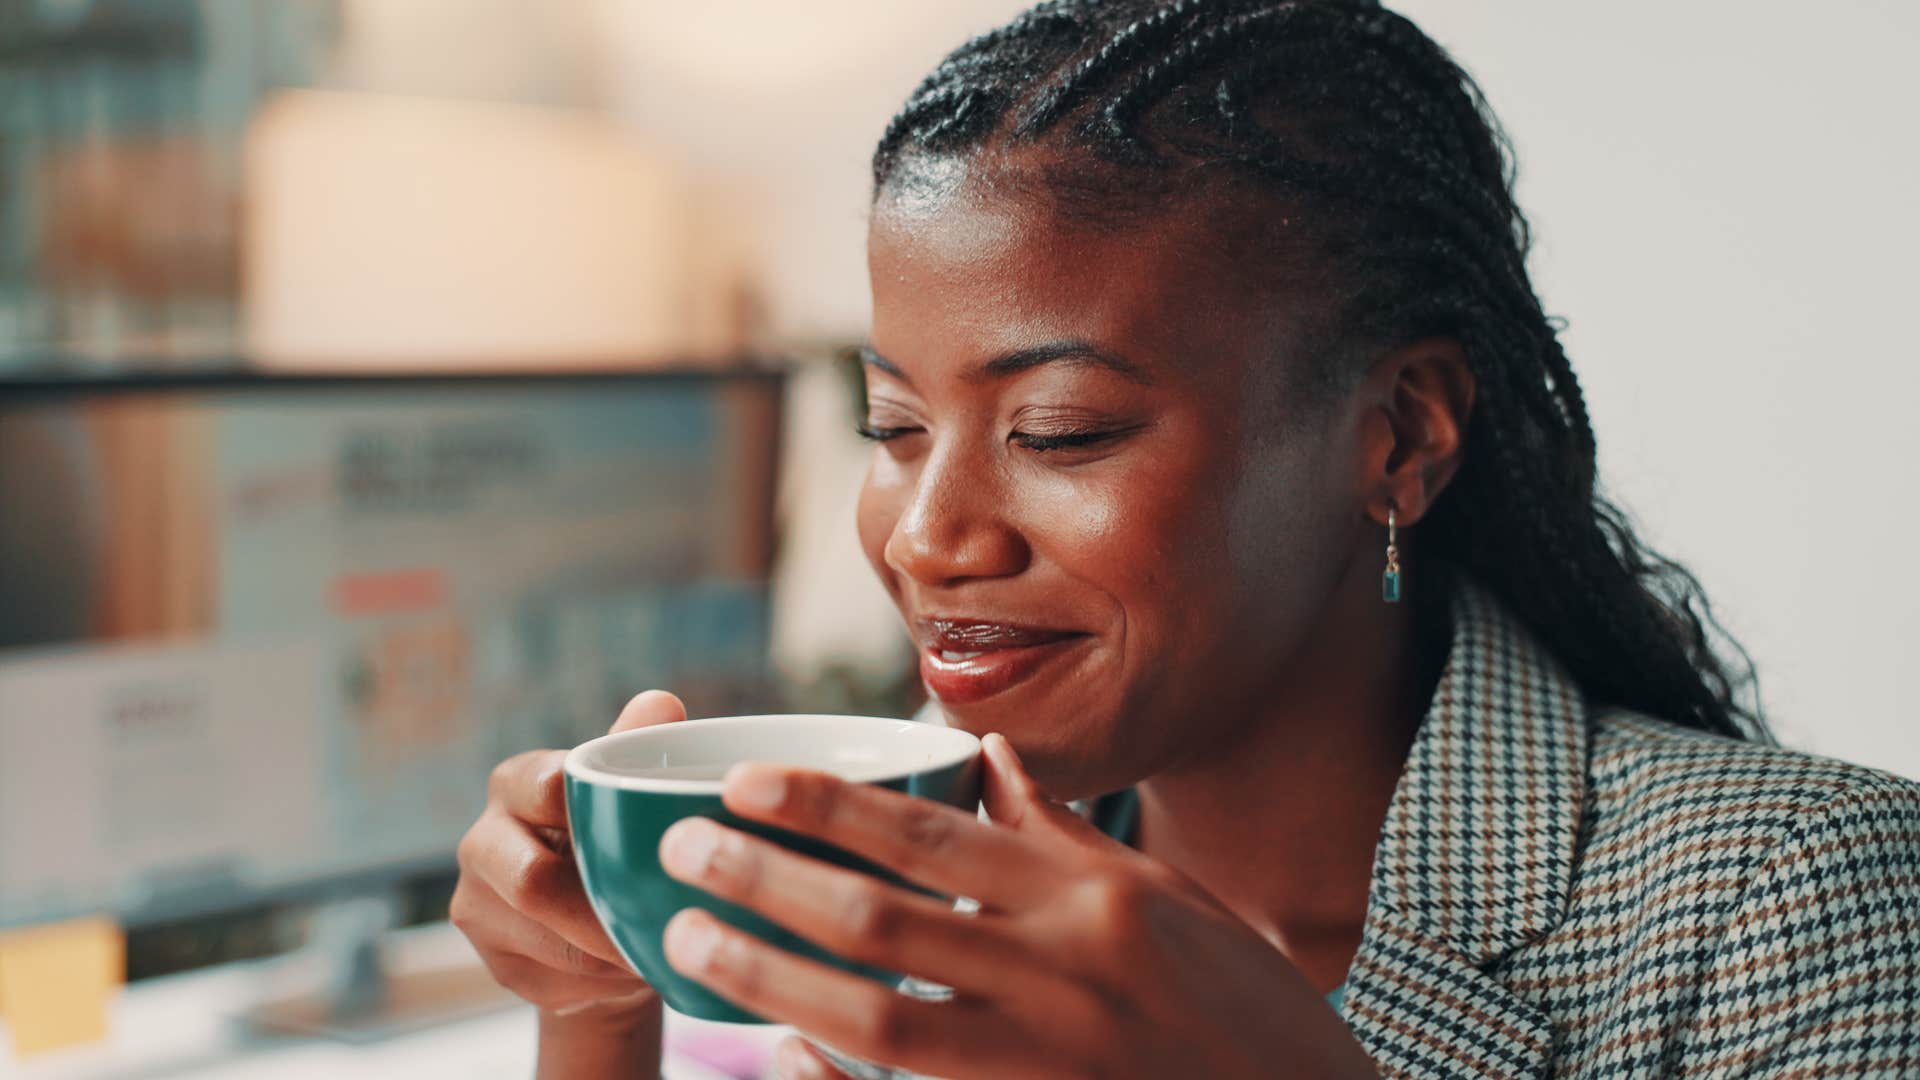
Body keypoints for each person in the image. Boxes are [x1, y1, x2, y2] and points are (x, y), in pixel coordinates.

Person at [451, 1, 1920, 1076]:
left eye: (1063, 430)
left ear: (1398, 436)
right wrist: (597, 1008)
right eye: (895, 430)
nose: (929, 538)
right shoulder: (941, 889)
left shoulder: (1793, 907)